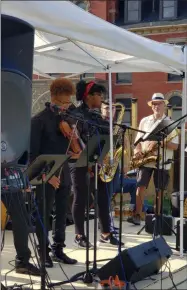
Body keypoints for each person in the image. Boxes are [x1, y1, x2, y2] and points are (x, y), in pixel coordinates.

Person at [69, 80, 124, 248]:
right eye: (99, 95)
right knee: (81, 197)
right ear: (89, 96)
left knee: (103, 197)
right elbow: (75, 138)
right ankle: (80, 235)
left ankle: (106, 233)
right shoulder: (76, 114)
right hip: (79, 162)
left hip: (98, 163)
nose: (102, 98)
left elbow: (105, 138)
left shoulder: (95, 116)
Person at [30, 78, 78, 267]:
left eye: (68, 102)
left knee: (62, 212)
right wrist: (46, 177)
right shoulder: (38, 121)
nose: (66, 106)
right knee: (43, 213)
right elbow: (33, 154)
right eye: (62, 103)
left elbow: (74, 152)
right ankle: (43, 252)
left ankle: (59, 249)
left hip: (63, 169)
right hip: (44, 173)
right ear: (53, 98)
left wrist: (74, 139)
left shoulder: (67, 119)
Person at [128, 93, 179, 226]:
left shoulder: (170, 123)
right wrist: (137, 151)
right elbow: (137, 141)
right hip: (146, 159)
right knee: (140, 186)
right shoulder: (145, 121)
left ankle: (158, 216)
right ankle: (137, 215)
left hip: (162, 161)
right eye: (154, 104)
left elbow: (175, 146)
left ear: (164, 105)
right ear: (152, 106)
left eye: (159, 103)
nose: (157, 106)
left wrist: (159, 143)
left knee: (160, 190)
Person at [1, 169, 40, 276]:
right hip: (5, 181)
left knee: (23, 220)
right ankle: (22, 261)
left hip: (13, 180)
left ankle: (22, 261)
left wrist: (24, 180)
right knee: (21, 220)